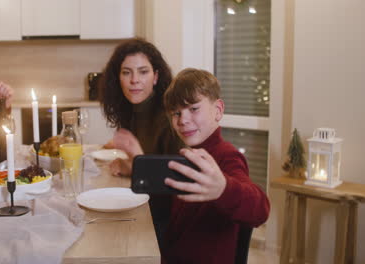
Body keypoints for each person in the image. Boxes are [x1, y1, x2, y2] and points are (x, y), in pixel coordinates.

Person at [117, 68, 270, 263]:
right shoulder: (189, 155)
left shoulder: (226, 156)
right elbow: (170, 208)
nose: (183, 120)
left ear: (218, 110)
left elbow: (260, 209)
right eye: (176, 113)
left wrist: (223, 188)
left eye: (194, 109)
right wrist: (137, 165)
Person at [98, 38, 183, 250]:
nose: (134, 80)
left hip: (165, 223)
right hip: (143, 207)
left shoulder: (169, 118)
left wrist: (136, 165)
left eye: (143, 72)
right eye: (126, 72)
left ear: (155, 77)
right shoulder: (132, 110)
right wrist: (131, 166)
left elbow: (177, 181)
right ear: (118, 78)